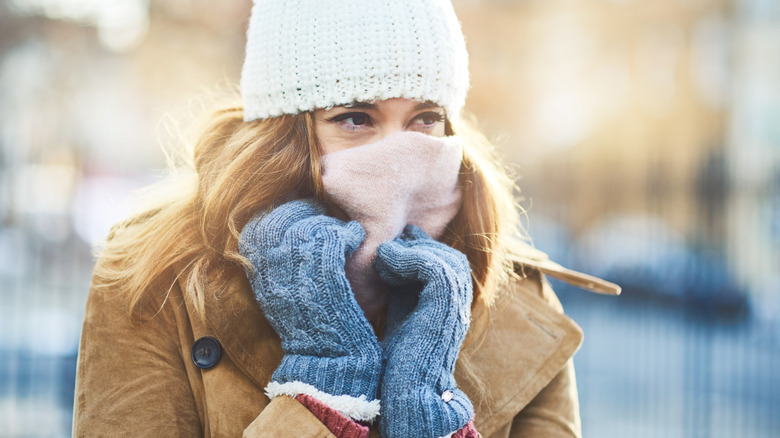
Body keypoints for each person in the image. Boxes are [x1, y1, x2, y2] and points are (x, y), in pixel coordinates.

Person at [72, 1, 620, 437]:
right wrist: (322, 394)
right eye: (355, 118)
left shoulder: (517, 298)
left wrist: (431, 420)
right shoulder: (156, 279)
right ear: (282, 135)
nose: (398, 155)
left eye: (424, 119)